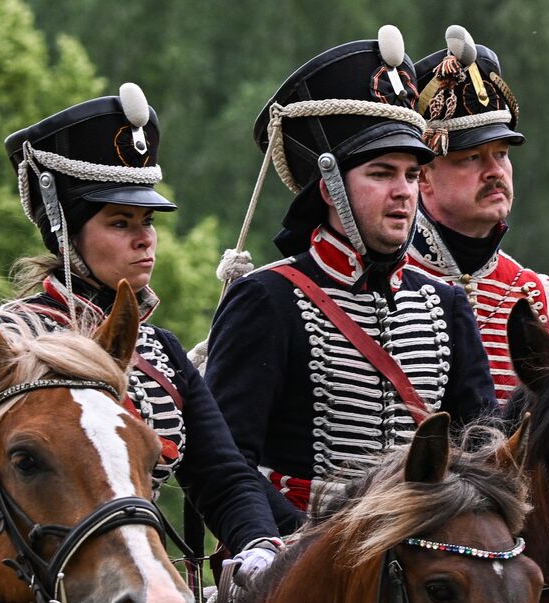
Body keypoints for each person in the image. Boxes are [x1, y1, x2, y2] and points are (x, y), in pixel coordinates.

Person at [2, 82, 280, 603]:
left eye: (149, 221)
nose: (145, 240)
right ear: (68, 226)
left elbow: (223, 475)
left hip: (156, 598)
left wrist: (257, 546)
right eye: (120, 222)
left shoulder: (155, 351)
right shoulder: (12, 342)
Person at [204, 26, 496, 532]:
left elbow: (482, 454)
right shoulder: (268, 299)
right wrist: (284, 549)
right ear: (330, 184)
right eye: (382, 174)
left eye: (410, 174)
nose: (404, 192)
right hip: (302, 559)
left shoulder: (446, 304)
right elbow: (226, 465)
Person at [407, 25, 549, 402]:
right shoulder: (386, 283)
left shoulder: (542, 299)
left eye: (501, 154)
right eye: (471, 157)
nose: (495, 171)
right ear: (423, 176)